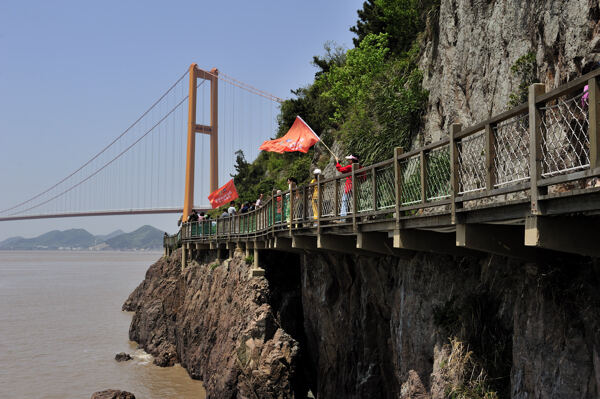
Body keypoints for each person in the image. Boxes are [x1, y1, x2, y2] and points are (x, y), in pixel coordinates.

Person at [335, 154, 361, 220]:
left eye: (350, 159)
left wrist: (337, 162)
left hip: (349, 186)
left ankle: (343, 218)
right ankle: (358, 216)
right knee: (356, 201)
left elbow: (341, 169)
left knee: (344, 201)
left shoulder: (350, 167)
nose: (349, 160)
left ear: (352, 160)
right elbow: (364, 177)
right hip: (357, 186)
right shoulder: (360, 167)